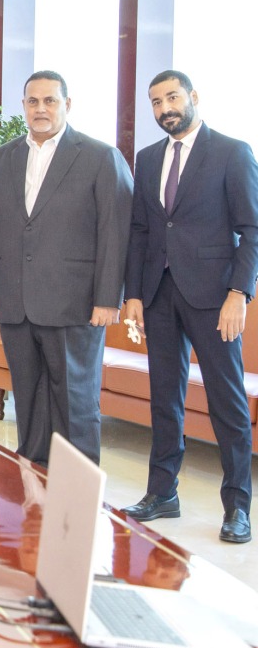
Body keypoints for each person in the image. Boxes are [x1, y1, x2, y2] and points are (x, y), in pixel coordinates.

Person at [120, 70, 258, 544]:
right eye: (156, 102)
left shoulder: (232, 152)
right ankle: (163, 493)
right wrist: (134, 294)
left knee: (227, 403)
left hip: (215, 299)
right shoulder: (148, 157)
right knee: (165, 398)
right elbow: (141, 230)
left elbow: (252, 229)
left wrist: (238, 295)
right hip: (159, 294)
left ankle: (237, 505)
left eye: (172, 98)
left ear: (193, 97)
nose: (165, 109)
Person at [0, 70, 133, 466]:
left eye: (50, 101)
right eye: (32, 101)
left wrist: (108, 298)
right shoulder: (2, 157)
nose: (40, 109)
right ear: (23, 106)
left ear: (67, 105)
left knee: (74, 401)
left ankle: (75, 498)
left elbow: (115, 232)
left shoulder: (99, 156)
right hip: (15, 302)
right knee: (28, 396)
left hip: (74, 303)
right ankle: (34, 482)